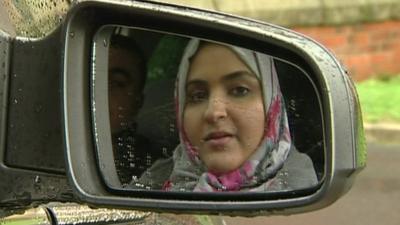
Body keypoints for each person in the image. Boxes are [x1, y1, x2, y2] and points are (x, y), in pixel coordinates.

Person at [135, 39, 317, 192]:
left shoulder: (302, 188)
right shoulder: (153, 184)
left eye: (239, 90)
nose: (214, 113)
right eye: (198, 96)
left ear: (272, 107)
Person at [108, 33, 154, 185]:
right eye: (92, 77)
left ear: (137, 103)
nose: (98, 89)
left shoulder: (151, 168)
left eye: (117, 83)